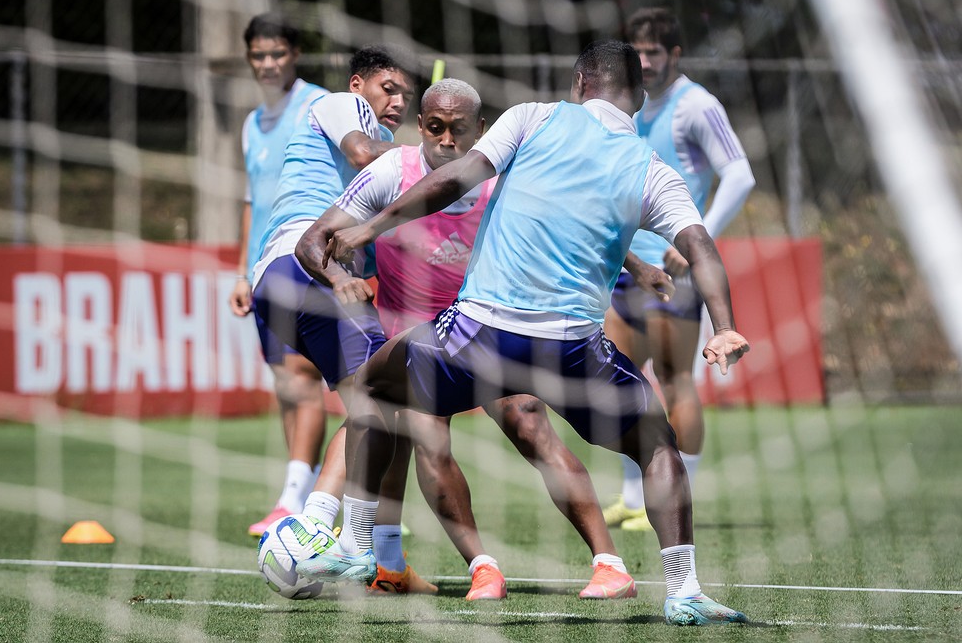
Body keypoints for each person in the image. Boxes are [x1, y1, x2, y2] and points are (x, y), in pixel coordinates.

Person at [302, 40, 751, 626]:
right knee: (656, 444)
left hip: (481, 333)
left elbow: (455, 179)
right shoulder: (650, 168)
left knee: (374, 387)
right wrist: (724, 325)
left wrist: (370, 231)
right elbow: (700, 247)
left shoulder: (532, 117)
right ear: (639, 100)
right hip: (572, 349)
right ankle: (684, 590)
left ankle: (356, 546)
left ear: (579, 83)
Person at [299, 78, 650, 600]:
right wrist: (339, 277)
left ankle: (608, 564)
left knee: (532, 426)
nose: (444, 140)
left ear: (481, 130)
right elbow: (314, 241)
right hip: (417, 342)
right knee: (426, 438)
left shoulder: (506, 178)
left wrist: (638, 264)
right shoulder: (392, 172)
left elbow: (573, 227)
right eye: (434, 127)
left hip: (490, 330)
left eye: (457, 130)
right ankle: (479, 569)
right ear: (420, 126)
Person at [249, 42, 433, 591]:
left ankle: (377, 559)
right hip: (305, 263)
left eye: (406, 93)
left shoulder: (384, 182)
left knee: (378, 404)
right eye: (388, 89)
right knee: (378, 400)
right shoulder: (339, 107)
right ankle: (315, 530)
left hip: (284, 277)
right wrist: (431, 159)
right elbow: (359, 151)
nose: (397, 101)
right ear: (359, 86)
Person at [601, 7, 757, 532]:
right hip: (625, 268)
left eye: (653, 53)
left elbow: (739, 174)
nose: (643, 62)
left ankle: (676, 499)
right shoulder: (626, 106)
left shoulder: (697, 106)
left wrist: (697, 240)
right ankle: (630, 496)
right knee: (618, 384)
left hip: (675, 273)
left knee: (674, 385)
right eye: (637, 52)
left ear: (675, 54)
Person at [228, 14, 331, 538]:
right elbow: (252, 202)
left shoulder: (318, 105)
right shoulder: (251, 124)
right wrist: (244, 270)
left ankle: (294, 501)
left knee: (300, 376)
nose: (268, 63)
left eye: (277, 53)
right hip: (266, 268)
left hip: (306, 259)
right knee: (284, 383)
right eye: (259, 55)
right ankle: (310, 497)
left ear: (294, 54)